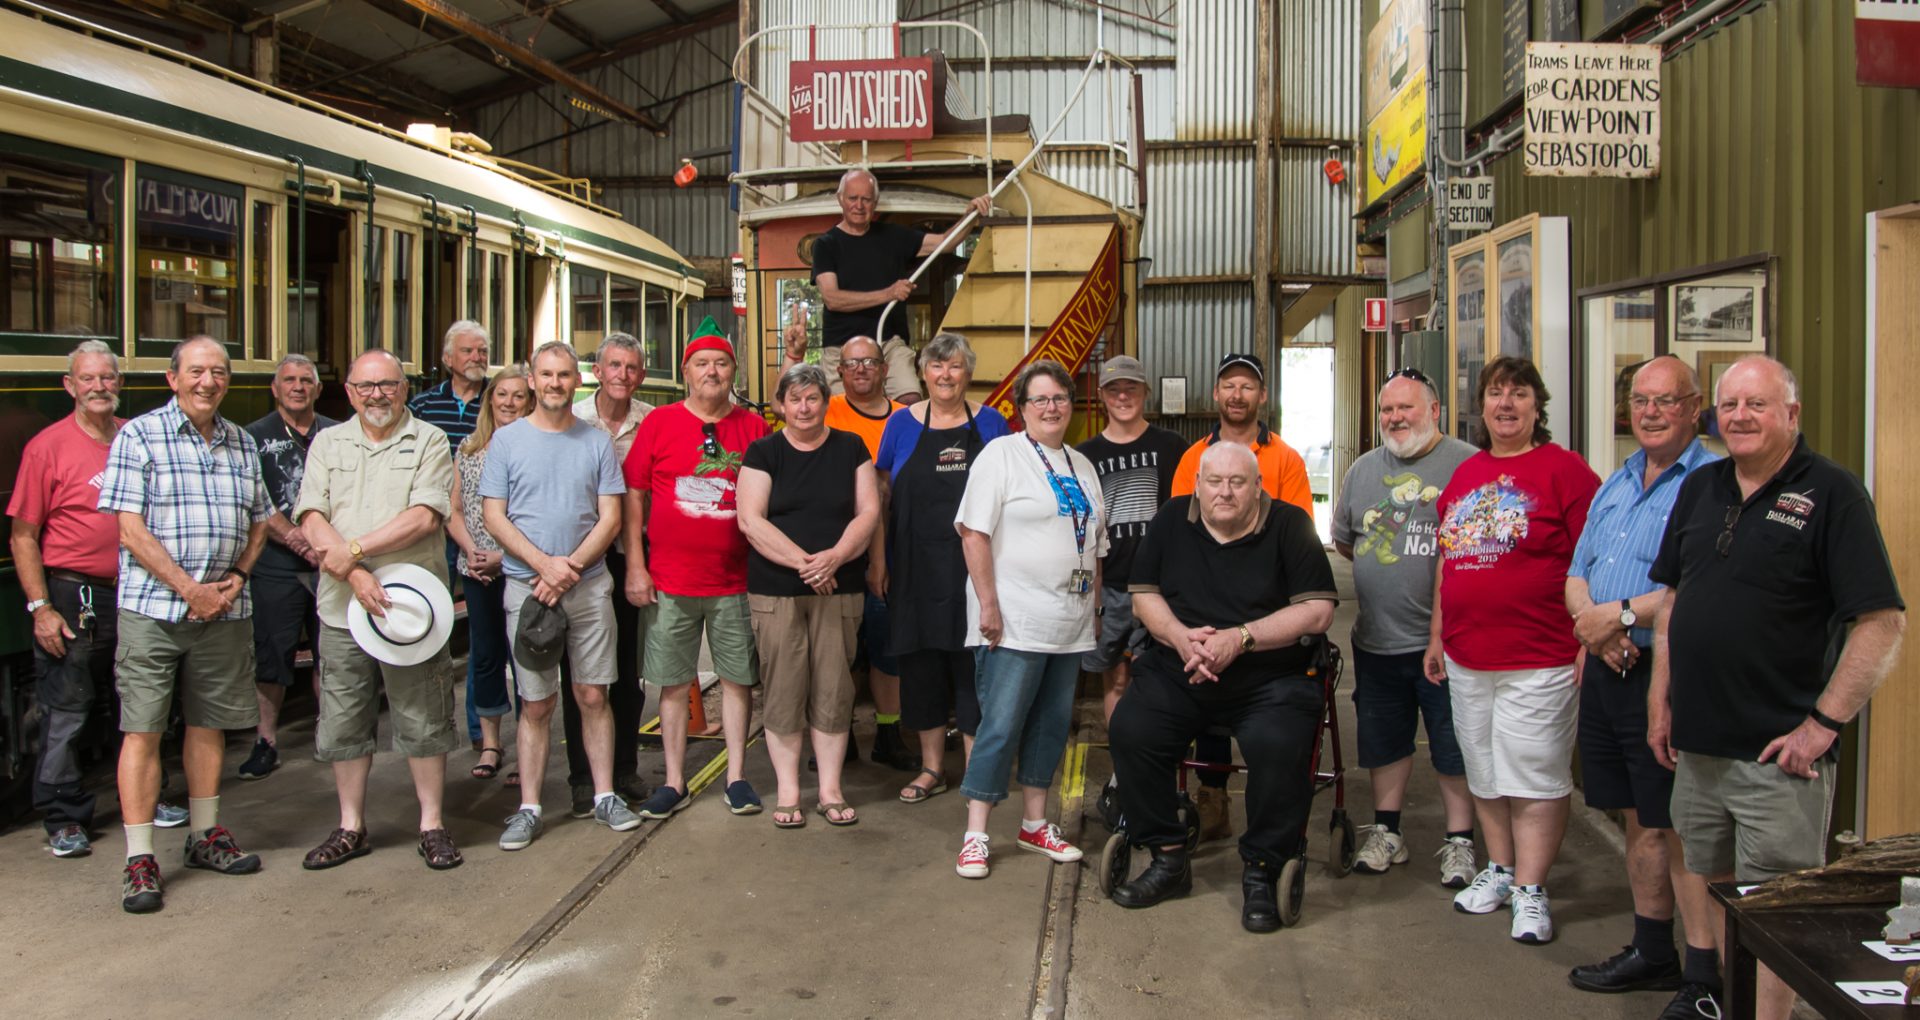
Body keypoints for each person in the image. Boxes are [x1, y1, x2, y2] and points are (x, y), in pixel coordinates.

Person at [1648, 355, 1904, 1020]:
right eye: (1729, 405)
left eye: (1756, 405)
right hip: (1699, 747)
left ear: (1791, 414)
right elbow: (1676, 600)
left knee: (1778, 909)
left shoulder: (1833, 494)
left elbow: (1880, 623)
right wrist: (1661, 698)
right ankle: (1727, 1001)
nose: (1739, 417)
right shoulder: (1701, 488)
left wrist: (1823, 725)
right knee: (1715, 886)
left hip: (1778, 758)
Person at [1107, 441, 1338, 932]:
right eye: (1215, 482)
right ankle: (1168, 856)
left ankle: (1262, 868)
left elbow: (1317, 611)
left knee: (1278, 745)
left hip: (1271, 675)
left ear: (1259, 487)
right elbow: (1143, 595)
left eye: (1238, 482)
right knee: (1132, 729)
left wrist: (1242, 638)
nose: (1226, 492)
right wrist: (1178, 637)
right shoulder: (1171, 519)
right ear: (1199, 485)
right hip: (1182, 666)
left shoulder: (1291, 525)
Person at [1424, 355, 1600, 945]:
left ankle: (1531, 887)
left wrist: (1587, 638)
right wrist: (1436, 636)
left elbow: (1593, 561)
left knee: (1535, 776)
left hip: (1540, 657)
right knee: (1485, 769)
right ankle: (1499, 870)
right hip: (1468, 656)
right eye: (1496, 394)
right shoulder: (1468, 474)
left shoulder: (1565, 472)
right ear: (1483, 406)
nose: (1506, 404)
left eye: (1519, 394)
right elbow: (1451, 560)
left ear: (1536, 406)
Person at [1562, 356, 1720, 999]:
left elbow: (1700, 585)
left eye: (1666, 401)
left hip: (1666, 670)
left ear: (1694, 407)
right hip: (1608, 665)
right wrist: (1593, 628)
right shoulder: (1619, 479)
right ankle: (1654, 949)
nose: (1650, 412)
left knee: (1675, 822)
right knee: (1636, 816)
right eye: (1640, 401)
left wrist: (1617, 617)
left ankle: (1705, 973)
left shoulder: (1713, 482)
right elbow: (1579, 570)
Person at [99, 336, 272, 913]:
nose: (208, 382)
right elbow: (130, 529)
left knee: (209, 724)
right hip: (155, 609)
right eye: (196, 372)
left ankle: (204, 836)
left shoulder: (241, 442)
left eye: (218, 373)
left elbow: (258, 522)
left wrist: (238, 579)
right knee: (143, 729)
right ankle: (140, 858)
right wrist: (189, 589)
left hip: (223, 608)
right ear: (173, 379)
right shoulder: (138, 436)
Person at [8, 341, 186, 858]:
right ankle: (63, 815)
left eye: (109, 378)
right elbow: (23, 536)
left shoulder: (135, 437)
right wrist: (40, 607)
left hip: (136, 588)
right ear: (70, 386)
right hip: (73, 592)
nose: (100, 387)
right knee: (68, 705)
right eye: (89, 379)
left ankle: (146, 799)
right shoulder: (47, 447)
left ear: (120, 384)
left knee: (140, 701)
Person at [293, 350, 463, 871]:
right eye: (365, 387)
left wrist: (356, 552)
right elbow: (311, 514)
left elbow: (424, 516)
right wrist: (354, 572)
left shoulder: (429, 440)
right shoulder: (329, 442)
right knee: (344, 718)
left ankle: (431, 824)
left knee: (422, 714)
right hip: (343, 605)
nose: (377, 395)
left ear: (403, 388)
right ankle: (351, 826)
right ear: (348, 392)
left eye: (387, 384)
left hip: (410, 608)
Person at [952, 360, 1106, 879]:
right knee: (1000, 724)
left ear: (1072, 404)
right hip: (1013, 621)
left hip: (1068, 623)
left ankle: (1035, 824)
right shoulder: (1002, 455)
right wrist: (988, 604)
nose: (1051, 408)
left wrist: (1095, 609)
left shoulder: (1083, 467)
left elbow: (1096, 549)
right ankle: (976, 833)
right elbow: (973, 532)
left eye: (1059, 398)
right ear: (1022, 409)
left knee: (1050, 726)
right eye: (1039, 400)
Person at [481, 341, 635, 849]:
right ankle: (528, 807)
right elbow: (493, 516)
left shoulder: (595, 442)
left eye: (564, 375)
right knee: (536, 702)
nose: (554, 383)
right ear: (532, 379)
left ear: (577, 381)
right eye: (545, 374)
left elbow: (611, 516)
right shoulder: (506, 442)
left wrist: (567, 568)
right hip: (527, 589)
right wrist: (544, 565)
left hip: (587, 587)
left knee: (593, 694)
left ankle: (605, 795)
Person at [1330, 369, 1477, 886]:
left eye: (1406, 409)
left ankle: (1460, 841)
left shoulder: (1467, 465)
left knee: (1451, 744)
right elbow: (1346, 541)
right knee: (1384, 741)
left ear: (1434, 410)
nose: (1395, 418)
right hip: (1378, 639)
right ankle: (1387, 831)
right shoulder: (1364, 470)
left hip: (1448, 644)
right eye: (1387, 410)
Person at [622, 319, 770, 819]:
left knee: (737, 680)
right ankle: (674, 780)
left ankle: (737, 777)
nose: (712, 371)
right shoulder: (659, 423)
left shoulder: (753, 428)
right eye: (702, 363)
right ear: (686, 372)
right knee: (670, 682)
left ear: (733, 372)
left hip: (736, 579)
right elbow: (635, 498)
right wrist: (636, 568)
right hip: (669, 581)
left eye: (722, 363)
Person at [1167, 352, 1314, 841]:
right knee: (1204, 665)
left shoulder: (1286, 459)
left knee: (1264, 700)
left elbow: (1298, 536)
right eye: (1229, 385)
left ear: (1262, 396)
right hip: (1207, 601)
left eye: (1247, 386)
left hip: (1266, 605)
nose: (1237, 395)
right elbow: (1183, 533)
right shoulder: (1193, 459)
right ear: (1216, 394)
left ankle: (1266, 797)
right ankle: (1211, 792)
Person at [736, 363, 881, 827]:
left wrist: (834, 558)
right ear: (780, 405)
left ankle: (831, 789)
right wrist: (807, 564)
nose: (803, 407)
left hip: (839, 586)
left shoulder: (850, 448)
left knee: (835, 689)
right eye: (794, 399)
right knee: (782, 690)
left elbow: (868, 512)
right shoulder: (763, 452)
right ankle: (789, 791)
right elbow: (750, 521)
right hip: (777, 591)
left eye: (812, 398)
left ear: (825, 402)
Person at [873, 333, 1011, 805]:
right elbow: (884, 497)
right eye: (936, 367)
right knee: (921, 666)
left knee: (976, 667)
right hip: (913, 567)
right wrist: (878, 560)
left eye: (954, 367)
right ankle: (933, 768)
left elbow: (1009, 498)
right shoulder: (900, 425)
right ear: (924, 373)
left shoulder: (992, 423)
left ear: (968, 373)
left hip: (975, 570)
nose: (945, 375)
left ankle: (977, 771)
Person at [787, 168, 993, 401]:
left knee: (909, 399)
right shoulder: (826, 244)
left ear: (875, 203)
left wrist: (970, 216)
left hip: (888, 344)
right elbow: (833, 299)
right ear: (840, 199)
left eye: (866, 199)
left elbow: (944, 243)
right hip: (842, 347)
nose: (859, 205)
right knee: (842, 413)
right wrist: (889, 293)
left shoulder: (893, 236)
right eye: (853, 198)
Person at [239, 353, 339, 780]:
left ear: (317, 388)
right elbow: (254, 502)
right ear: (275, 388)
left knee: (330, 652)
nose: (298, 387)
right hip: (276, 563)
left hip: (333, 562)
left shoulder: (338, 433)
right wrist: (301, 541)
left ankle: (331, 733)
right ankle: (266, 741)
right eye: (289, 380)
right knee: (272, 655)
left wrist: (326, 547)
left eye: (306, 381)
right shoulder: (252, 437)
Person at [1076, 356, 1188, 727]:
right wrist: (1092, 598)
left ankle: (1151, 766)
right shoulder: (1085, 456)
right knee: (1116, 678)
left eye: (1131, 388)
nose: (1123, 396)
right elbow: (1084, 530)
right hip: (1110, 586)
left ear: (1146, 393)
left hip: (1160, 586)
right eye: (1114, 389)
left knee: (1154, 677)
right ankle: (1122, 768)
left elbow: (1187, 518)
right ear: (1102, 395)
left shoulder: (1173, 446)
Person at [820, 335, 915, 771]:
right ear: (839, 370)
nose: (861, 369)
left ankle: (889, 733)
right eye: (852, 362)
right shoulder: (826, 411)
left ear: (884, 370)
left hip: (895, 549)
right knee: (839, 652)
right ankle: (838, 737)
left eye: (870, 362)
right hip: (836, 550)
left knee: (886, 649)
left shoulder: (908, 418)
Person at [569, 333, 655, 814]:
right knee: (579, 674)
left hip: (631, 555)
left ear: (641, 375)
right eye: (614, 366)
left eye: (632, 367)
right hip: (581, 555)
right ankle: (582, 776)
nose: (623, 375)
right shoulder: (573, 419)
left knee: (626, 670)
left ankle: (624, 768)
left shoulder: (652, 420)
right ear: (597, 371)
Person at [447, 365, 531, 782]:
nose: (509, 403)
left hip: (518, 567)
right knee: (485, 656)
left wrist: (503, 555)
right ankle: (491, 743)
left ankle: (524, 749)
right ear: (490, 399)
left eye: (518, 396)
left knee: (524, 657)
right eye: (502, 395)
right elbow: (454, 510)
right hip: (476, 568)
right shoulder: (468, 448)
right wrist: (471, 549)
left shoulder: (533, 447)